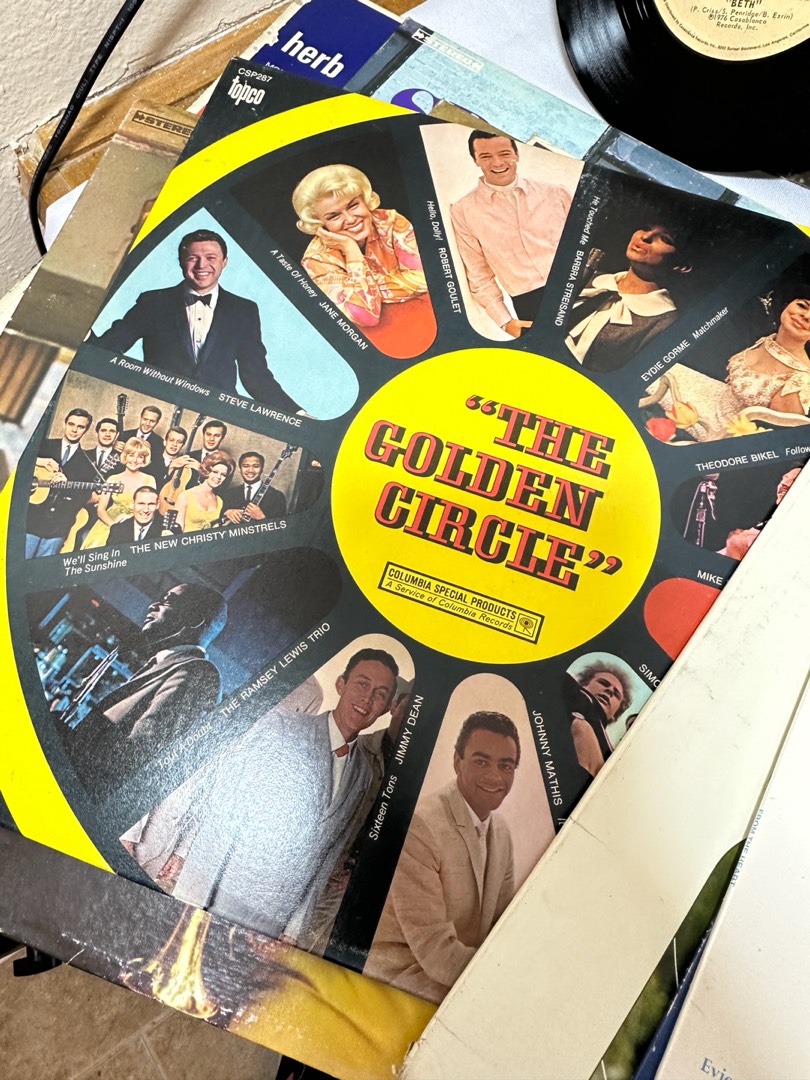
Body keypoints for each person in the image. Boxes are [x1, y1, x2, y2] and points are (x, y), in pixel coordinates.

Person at [135, 648, 399, 942]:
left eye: (380, 694)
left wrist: (293, 932)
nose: (367, 699)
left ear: (386, 707)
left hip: (272, 921)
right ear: (341, 684)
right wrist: (192, 897)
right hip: (220, 897)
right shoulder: (282, 726)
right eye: (362, 684)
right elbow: (224, 814)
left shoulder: (364, 774)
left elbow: (325, 858)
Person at [365, 711, 519, 1003]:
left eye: (506, 765)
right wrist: (505, 983)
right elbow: (433, 949)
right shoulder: (421, 826)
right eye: (481, 761)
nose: (494, 776)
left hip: (461, 969)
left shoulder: (501, 832)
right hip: (402, 975)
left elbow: (504, 926)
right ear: (457, 762)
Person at [92, 229, 300, 412]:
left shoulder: (244, 310)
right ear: (181, 261)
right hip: (156, 407)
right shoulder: (153, 302)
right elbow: (109, 347)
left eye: (211, 257)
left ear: (224, 262)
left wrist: (296, 413)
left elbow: (256, 375)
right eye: (193, 258)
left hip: (219, 414)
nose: (202, 265)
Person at [64, 582, 227, 799]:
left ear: (194, 619)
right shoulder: (167, 665)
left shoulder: (197, 672)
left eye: (168, 601)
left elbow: (136, 756)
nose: (153, 605)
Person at [293, 165, 435, 358]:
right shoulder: (316, 259)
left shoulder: (391, 221)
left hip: (423, 317)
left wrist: (367, 292)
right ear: (320, 225)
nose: (351, 219)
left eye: (353, 205)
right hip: (381, 342)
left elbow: (426, 279)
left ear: (365, 199)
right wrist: (352, 252)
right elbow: (365, 316)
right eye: (334, 216)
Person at [449, 131, 572, 337]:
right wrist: (505, 322)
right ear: (475, 160)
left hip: (581, 283)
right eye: (486, 156)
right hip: (531, 304)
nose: (497, 163)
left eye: (504, 153)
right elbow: (478, 273)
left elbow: (590, 240)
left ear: (517, 154)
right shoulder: (463, 211)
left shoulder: (556, 193)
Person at [566, 220, 692, 372]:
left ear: (681, 266)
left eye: (664, 238)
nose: (645, 237)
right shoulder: (592, 278)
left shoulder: (665, 322)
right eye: (646, 228)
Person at [725, 290, 810, 417]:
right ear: (786, 305)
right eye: (802, 306)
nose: (806, 316)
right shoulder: (765, 340)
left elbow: (770, 428)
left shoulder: (801, 381)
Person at [26, 408, 97, 558]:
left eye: (80, 427)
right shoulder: (44, 446)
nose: (74, 430)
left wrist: (67, 484)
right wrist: (39, 461)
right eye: (71, 424)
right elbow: (15, 464)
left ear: (86, 430)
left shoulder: (88, 463)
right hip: (29, 520)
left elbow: (83, 497)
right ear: (64, 424)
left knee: (41, 568)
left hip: (57, 527)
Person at [80, 438, 156, 549]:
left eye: (140, 457)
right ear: (125, 456)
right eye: (131, 455)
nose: (134, 460)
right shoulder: (112, 479)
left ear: (144, 459)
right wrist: (115, 527)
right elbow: (101, 510)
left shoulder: (149, 480)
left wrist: (127, 525)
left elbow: (149, 509)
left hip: (136, 524)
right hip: (109, 522)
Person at [719, 465, 802, 559]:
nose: (784, 483)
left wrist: (738, 542)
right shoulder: (768, 521)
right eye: (784, 478)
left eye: (794, 480)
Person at [563, 661, 630, 778]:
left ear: (615, 714)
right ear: (584, 684)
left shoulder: (614, 754)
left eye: (616, 694)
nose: (610, 690)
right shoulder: (566, 687)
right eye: (603, 683)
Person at [174, 451, 235, 532]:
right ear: (207, 471)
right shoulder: (185, 496)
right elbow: (177, 531)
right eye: (215, 472)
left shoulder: (219, 501)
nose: (219, 477)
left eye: (223, 474)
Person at [220, 451, 286, 525]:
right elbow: (218, 523)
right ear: (240, 469)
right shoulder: (228, 494)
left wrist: (262, 518)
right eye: (246, 466)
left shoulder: (277, 496)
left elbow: (282, 528)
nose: (250, 470)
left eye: (256, 466)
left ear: (262, 469)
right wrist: (226, 514)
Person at [119, 406, 164, 477]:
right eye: (145, 419)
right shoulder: (124, 435)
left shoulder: (160, 443)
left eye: (152, 421)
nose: (147, 423)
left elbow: (157, 469)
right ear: (141, 417)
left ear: (157, 423)